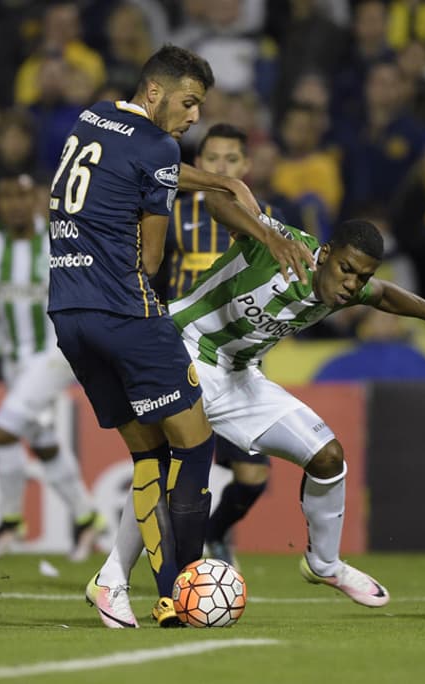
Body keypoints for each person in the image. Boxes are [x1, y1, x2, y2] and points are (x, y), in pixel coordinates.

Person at [88, 210, 425, 627]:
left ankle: (324, 564)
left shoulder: (346, 286)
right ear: (324, 254)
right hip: (183, 351)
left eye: (359, 276)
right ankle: (112, 580)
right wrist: (251, 216)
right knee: (162, 464)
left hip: (239, 376)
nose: (351, 285)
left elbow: (383, 294)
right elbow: (221, 205)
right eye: (346, 269)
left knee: (328, 457)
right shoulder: (279, 247)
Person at [47, 45, 314, 629]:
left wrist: (215, 182)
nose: (193, 117)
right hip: (128, 314)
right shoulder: (159, 147)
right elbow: (150, 253)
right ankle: (180, 590)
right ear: (154, 93)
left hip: (68, 313)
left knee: (148, 452)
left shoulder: (92, 116)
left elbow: (149, 162)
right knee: (194, 448)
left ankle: (114, 588)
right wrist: (203, 190)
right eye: (189, 103)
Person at [0, 173, 101, 561]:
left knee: (4, 428)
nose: (15, 203)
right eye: (7, 195)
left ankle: (10, 519)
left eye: (22, 195)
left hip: (54, 352)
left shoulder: (57, 239)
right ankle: (87, 518)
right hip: (14, 359)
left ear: (36, 199)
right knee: (43, 442)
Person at [160, 122, 286, 569]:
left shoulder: (265, 219)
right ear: (198, 164)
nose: (220, 167)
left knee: (252, 477)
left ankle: (214, 535)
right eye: (211, 159)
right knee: (176, 468)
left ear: (246, 166)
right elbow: (152, 274)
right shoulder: (169, 213)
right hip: (183, 354)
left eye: (231, 161)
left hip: (237, 363)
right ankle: (172, 565)